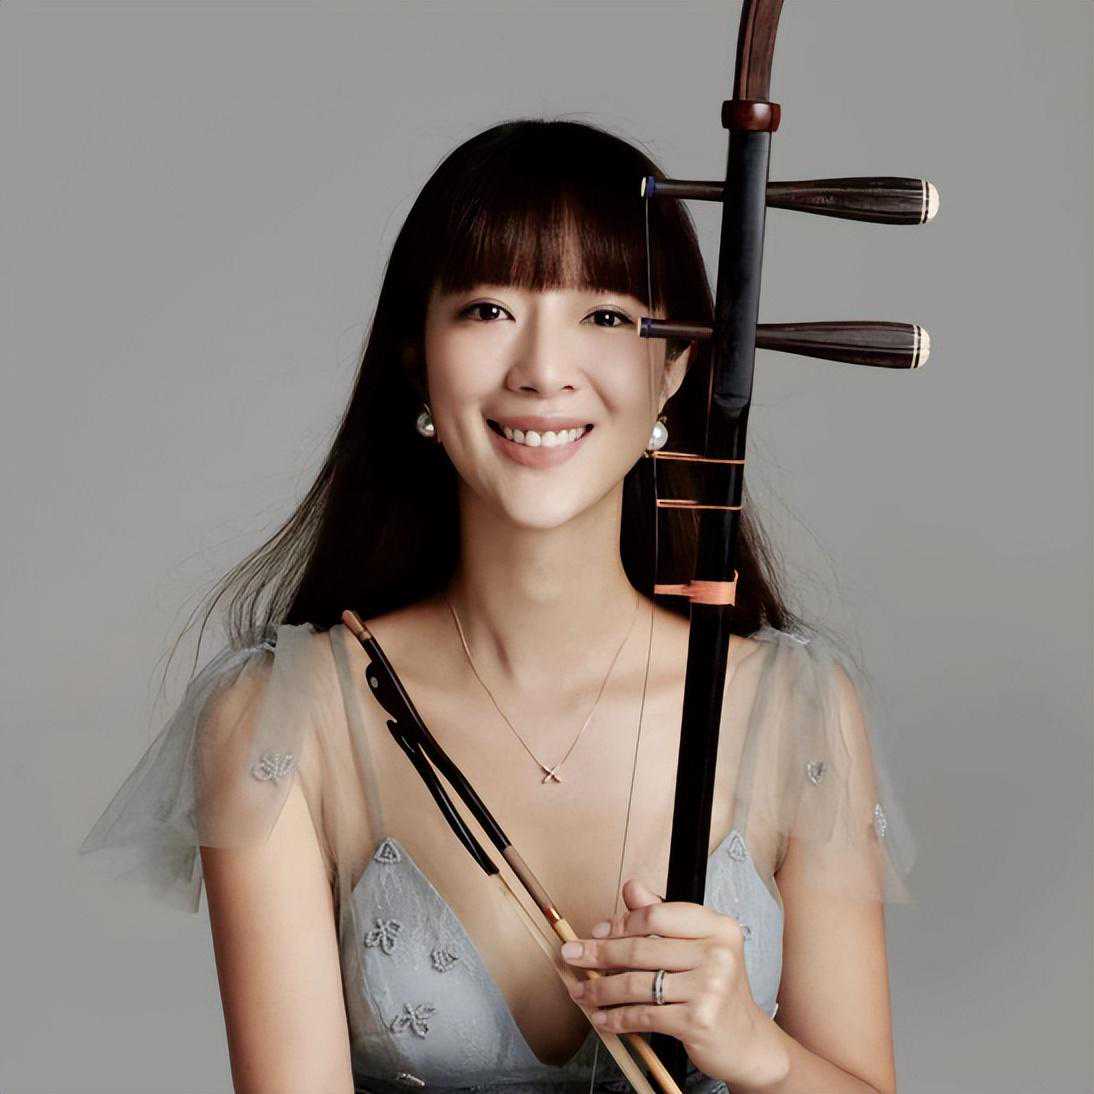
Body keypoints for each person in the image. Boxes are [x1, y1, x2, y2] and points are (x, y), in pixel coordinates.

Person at [79, 119, 916, 1094]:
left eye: (605, 316)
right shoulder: (283, 718)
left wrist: (753, 1049)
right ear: (416, 359)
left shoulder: (791, 706)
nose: (541, 370)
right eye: (487, 309)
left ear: (677, 368)